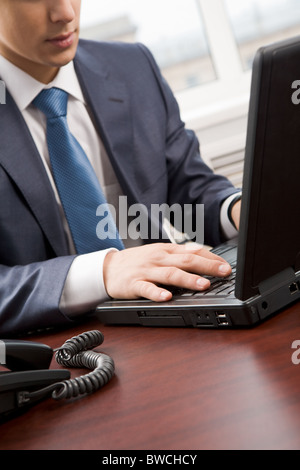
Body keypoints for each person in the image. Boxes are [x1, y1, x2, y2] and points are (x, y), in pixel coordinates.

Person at [0, 0, 241, 337]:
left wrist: (241, 210)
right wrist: (104, 271)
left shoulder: (132, 67)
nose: (65, 13)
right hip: (53, 352)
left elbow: (189, 189)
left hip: (169, 323)